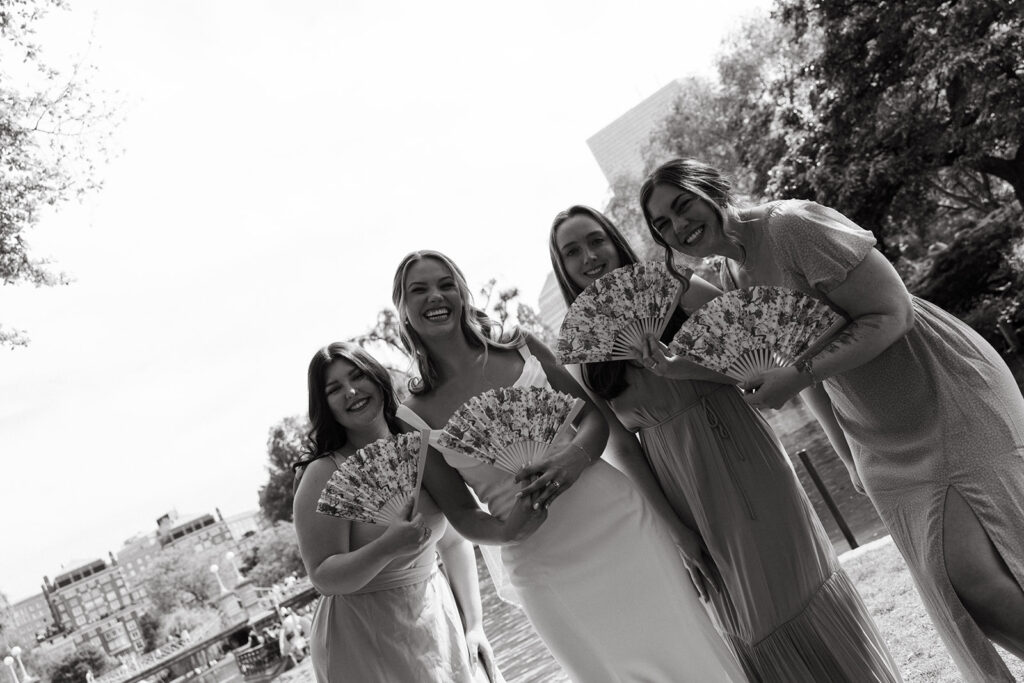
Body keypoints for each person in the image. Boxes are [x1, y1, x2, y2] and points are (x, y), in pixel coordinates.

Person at [640, 157, 1024, 682]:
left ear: (712, 190)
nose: (678, 226)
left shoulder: (794, 225)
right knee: (959, 586)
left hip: (942, 390)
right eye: (662, 224)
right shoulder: (730, 276)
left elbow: (892, 313)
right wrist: (848, 456)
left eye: (683, 205)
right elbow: (804, 370)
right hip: (874, 430)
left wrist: (796, 375)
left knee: (978, 577)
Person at [549, 205, 901, 682]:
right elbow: (624, 451)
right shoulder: (585, 356)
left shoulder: (682, 290)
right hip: (683, 487)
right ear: (563, 268)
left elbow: (763, 358)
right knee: (747, 617)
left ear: (615, 241)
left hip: (748, 453)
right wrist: (677, 532)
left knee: (803, 581)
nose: (589, 257)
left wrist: (681, 366)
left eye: (596, 241)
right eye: (573, 252)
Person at [390, 249, 747, 683]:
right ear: (404, 310)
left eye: (445, 283)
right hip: (538, 559)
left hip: (617, 522)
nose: (436, 295)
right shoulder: (410, 417)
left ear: (462, 293)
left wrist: (575, 456)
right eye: (419, 290)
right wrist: (504, 532)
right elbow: (460, 514)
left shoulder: (520, 346)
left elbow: (593, 418)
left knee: (687, 648)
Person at [292, 341, 499, 682]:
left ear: (377, 377)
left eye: (357, 376)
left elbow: (454, 544)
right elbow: (324, 576)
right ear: (325, 405)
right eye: (334, 389)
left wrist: (474, 625)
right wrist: (387, 546)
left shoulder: (419, 444)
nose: (351, 391)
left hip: (435, 613)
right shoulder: (323, 473)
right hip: (362, 631)